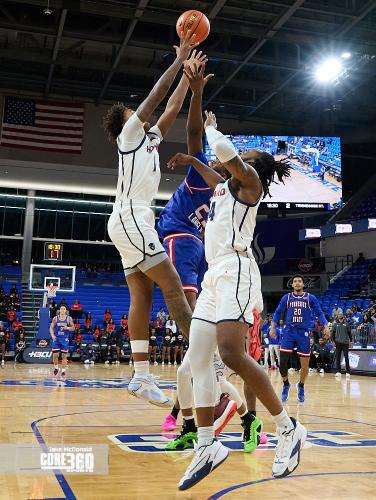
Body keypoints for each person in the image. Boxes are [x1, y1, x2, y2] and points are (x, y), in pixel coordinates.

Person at [168, 107, 306, 489]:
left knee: (231, 353)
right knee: (197, 359)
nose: (234, 162)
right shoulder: (224, 189)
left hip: (238, 271)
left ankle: (287, 427)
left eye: (243, 160)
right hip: (214, 275)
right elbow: (214, 172)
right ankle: (208, 445)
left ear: (252, 169)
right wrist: (194, 158)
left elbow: (228, 156)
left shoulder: (250, 187)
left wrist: (212, 130)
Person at [159, 66, 262, 454]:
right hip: (197, 247)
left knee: (207, 356)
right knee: (209, 360)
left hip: (209, 257)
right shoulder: (209, 179)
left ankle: (238, 413)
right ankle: (215, 413)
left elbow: (201, 141)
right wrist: (197, 94)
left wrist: (198, 92)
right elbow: (193, 136)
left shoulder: (231, 188)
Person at [103, 32, 204, 407]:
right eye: (133, 111)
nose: (138, 112)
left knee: (142, 294)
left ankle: (141, 376)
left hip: (130, 222)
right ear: (126, 122)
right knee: (173, 285)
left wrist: (189, 80)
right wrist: (179, 59)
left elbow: (171, 108)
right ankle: (203, 357)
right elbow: (155, 99)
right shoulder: (129, 135)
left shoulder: (149, 140)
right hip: (132, 218)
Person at [271, 275, 329, 403]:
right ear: (292, 285)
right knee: (283, 362)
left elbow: (319, 313)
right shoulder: (287, 297)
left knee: (305, 366)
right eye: (295, 281)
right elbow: (277, 312)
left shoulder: (310, 298)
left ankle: (301, 385)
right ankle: (286, 384)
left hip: (303, 333)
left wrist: (326, 326)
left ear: (303, 284)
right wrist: (273, 327)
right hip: (288, 331)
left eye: (299, 281)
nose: (297, 283)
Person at [50, 304, 75, 381]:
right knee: (55, 355)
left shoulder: (69, 318)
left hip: (64, 339)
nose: (63, 310)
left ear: (66, 311)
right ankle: (56, 368)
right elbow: (51, 327)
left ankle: (63, 371)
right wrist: (52, 335)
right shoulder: (55, 318)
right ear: (59, 310)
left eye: (64, 309)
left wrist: (67, 327)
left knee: (64, 356)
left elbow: (73, 328)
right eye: (61, 309)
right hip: (56, 339)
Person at [332, 312, 352, 379]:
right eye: (339, 315)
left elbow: (349, 333)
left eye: (341, 315)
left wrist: (351, 341)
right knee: (338, 357)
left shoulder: (347, 324)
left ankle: (348, 372)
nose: (340, 315)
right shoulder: (335, 324)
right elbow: (333, 334)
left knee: (346, 357)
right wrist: (333, 341)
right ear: (337, 316)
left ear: (342, 316)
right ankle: (338, 371)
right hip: (338, 343)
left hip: (345, 343)